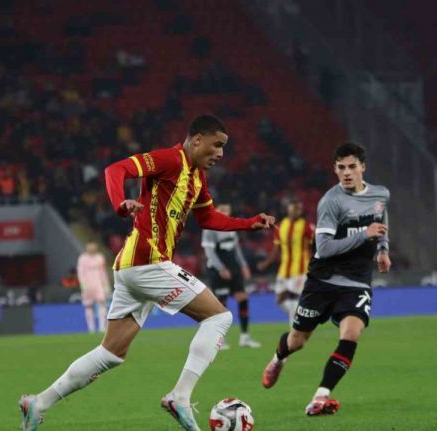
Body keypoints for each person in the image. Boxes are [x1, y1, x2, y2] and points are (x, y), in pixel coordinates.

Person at [18, 115, 275, 431]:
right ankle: (180, 397)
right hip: (147, 262)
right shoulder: (169, 160)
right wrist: (119, 204)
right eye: (217, 145)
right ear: (197, 139)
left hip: (131, 268)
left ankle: (38, 403)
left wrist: (248, 223)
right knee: (219, 318)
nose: (220, 153)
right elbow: (115, 170)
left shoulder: (197, 177)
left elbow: (208, 217)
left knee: (110, 353)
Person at [261, 142, 391, 416]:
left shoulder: (380, 194)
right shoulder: (331, 202)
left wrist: (382, 250)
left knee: (351, 335)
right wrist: (364, 235)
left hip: (356, 281)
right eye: (341, 167)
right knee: (297, 341)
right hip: (323, 281)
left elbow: (381, 218)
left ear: (363, 167)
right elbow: (325, 248)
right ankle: (278, 359)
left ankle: (320, 397)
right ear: (335, 169)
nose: (347, 172)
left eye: (352, 166)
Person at [201, 203, 260, 349]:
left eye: (227, 210)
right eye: (222, 210)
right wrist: (221, 269)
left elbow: (236, 249)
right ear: (216, 211)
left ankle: (245, 337)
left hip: (234, 268)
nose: (225, 212)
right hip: (218, 271)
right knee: (222, 305)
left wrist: (243, 265)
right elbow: (209, 252)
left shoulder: (231, 227)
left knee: (243, 298)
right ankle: (219, 340)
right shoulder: (210, 228)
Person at [257, 197, 314, 323]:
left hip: (300, 270)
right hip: (284, 270)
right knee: (279, 300)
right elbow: (276, 250)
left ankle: (294, 327)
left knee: (294, 297)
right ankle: (300, 317)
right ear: (288, 209)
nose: (297, 211)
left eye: (299, 208)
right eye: (294, 208)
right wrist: (266, 263)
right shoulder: (281, 226)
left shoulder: (307, 226)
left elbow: (315, 246)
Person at [76, 241, 110, 333]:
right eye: (89, 247)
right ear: (87, 247)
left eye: (93, 246)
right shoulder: (82, 258)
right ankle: (91, 328)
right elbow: (80, 273)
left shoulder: (100, 257)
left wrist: (106, 285)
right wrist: (83, 285)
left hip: (99, 285)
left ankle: (102, 327)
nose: (91, 248)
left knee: (102, 304)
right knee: (88, 306)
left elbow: (103, 272)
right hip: (87, 286)